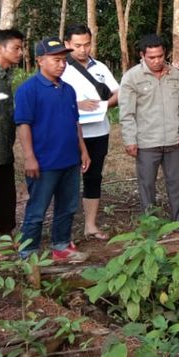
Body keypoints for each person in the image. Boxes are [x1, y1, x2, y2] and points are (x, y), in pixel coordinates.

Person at [15, 37, 91, 262]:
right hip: (44, 162)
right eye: (55, 59)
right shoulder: (28, 90)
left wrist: (83, 150)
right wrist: (29, 157)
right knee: (37, 209)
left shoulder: (68, 90)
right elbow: (23, 124)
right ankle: (28, 251)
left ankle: (61, 245)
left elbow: (75, 122)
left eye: (63, 60)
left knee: (67, 206)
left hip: (69, 159)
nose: (62, 64)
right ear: (39, 60)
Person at [120, 34, 179, 221]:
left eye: (160, 56)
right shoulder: (132, 78)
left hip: (172, 140)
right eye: (151, 57)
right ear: (142, 55)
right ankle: (150, 222)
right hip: (146, 142)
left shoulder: (175, 75)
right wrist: (130, 140)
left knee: (176, 183)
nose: (157, 61)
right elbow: (127, 114)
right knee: (147, 184)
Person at [62, 24, 120, 241]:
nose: (83, 50)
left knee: (94, 177)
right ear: (67, 44)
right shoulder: (61, 68)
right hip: (69, 134)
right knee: (66, 179)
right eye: (77, 45)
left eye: (87, 44)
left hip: (98, 132)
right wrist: (79, 105)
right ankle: (63, 232)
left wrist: (105, 105)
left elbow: (117, 92)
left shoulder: (101, 68)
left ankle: (90, 225)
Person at [0, 29, 24, 260]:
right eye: (16, 48)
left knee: (6, 196)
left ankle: (5, 237)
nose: (20, 52)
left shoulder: (7, 75)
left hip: (4, 148)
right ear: (0, 49)